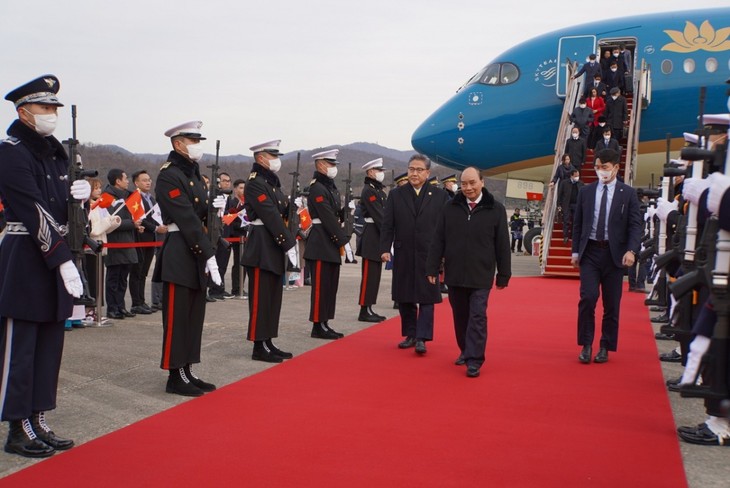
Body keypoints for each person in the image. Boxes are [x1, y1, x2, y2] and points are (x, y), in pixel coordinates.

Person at [0, 74, 90, 457]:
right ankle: (17, 425)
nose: (51, 113)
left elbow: (61, 210)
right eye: (45, 107)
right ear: (23, 112)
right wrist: (62, 260)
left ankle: (37, 417)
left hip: (55, 255)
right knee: (21, 346)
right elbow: (31, 208)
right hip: (25, 255)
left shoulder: (56, 153)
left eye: (54, 107)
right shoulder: (11, 150)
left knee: (49, 344)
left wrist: (81, 202)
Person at [153, 120, 219, 396]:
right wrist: (209, 253)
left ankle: (188, 369)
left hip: (194, 250)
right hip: (180, 249)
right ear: (178, 144)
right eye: (193, 141)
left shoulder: (192, 175)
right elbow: (186, 217)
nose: (197, 147)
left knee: (193, 315)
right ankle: (174, 374)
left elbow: (201, 215)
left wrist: (214, 211)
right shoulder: (169, 175)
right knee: (178, 317)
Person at [426, 167, 511, 377]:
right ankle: (465, 350)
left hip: (481, 274)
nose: (468, 187)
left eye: (472, 182)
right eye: (464, 183)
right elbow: (438, 239)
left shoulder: (496, 209)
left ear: (482, 182)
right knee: (461, 316)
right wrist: (432, 267)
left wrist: (504, 274)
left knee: (477, 316)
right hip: (455, 274)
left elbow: (502, 244)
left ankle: (475, 359)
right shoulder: (450, 207)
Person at [571, 148, 642, 364]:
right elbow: (578, 224)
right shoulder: (586, 191)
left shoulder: (627, 193)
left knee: (612, 304)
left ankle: (605, 346)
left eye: (605, 167)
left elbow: (635, 225)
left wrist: (632, 250)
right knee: (588, 298)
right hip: (590, 252)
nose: (601, 171)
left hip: (615, 255)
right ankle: (586, 344)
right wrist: (575, 251)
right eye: (598, 167)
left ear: (616, 168)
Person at [380, 154, 449, 354]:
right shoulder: (396, 195)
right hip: (404, 252)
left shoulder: (439, 196)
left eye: (419, 170)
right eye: (411, 169)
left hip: (429, 254)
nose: (414, 173)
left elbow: (445, 227)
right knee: (405, 295)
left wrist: (444, 252)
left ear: (427, 173)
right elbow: (388, 225)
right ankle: (410, 334)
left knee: (427, 296)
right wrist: (385, 248)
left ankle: (423, 337)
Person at [241, 140, 297, 362]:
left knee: (273, 297)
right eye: (272, 156)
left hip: (273, 244)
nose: (276, 160)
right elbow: (270, 215)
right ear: (261, 158)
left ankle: (268, 340)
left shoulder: (272, 183)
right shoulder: (255, 183)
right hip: (262, 245)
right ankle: (258, 344)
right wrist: (288, 243)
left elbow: (281, 209)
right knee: (260, 298)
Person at [303, 149, 352, 340]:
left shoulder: (330, 187)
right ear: (321, 165)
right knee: (320, 288)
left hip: (329, 242)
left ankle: (325, 322)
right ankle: (317, 325)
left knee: (330, 286)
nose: (333, 168)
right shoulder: (316, 188)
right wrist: (344, 241)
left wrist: (345, 211)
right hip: (320, 242)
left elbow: (334, 214)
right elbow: (326, 217)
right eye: (330, 164)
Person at [104, 169, 139, 320]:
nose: (127, 181)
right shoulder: (107, 197)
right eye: (125, 178)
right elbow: (112, 221)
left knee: (123, 278)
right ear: (117, 181)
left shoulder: (128, 196)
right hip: (115, 243)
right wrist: (132, 223)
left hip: (128, 242)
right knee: (113, 278)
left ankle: (121, 306)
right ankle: (112, 308)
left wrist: (136, 224)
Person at [129, 170, 166, 315]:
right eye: (144, 180)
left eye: (149, 179)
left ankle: (142, 301)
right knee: (136, 272)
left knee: (144, 272)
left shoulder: (151, 198)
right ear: (136, 183)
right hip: (141, 238)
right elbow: (140, 218)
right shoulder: (135, 198)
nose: (148, 182)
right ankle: (136, 302)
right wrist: (156, 228)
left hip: (152, 240)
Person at [356, 158, 388, 323]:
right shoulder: (369, 190)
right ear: (370, 172)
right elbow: (379, 216)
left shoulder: (379, 191)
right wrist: (390, 232)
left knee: (374, 276)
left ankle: (369, 307)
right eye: (378, 170)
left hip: (378, 236)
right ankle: (364, 309)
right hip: (371, 236)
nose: (381, 173)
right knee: (369, 275)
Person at [209, 172, 234, 300]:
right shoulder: (214, 197)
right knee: (214, 263)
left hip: (226, 234)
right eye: (224, 181)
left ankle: (220, 288)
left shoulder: (228, 198)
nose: (227, 183)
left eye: (228, 181)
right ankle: (213, 289)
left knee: (223, 263)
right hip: (215, 235)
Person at [228, 179, 247, 298]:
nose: (243, 190)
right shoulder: (232, 203)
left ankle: (241, 286)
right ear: (235, 189)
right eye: (240, 188)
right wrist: (242, 224)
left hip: (245, 236)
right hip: (236, 236)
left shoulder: (246, 203)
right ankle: (236, 288)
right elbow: (229, 220)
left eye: (244, 188)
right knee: (238, 262)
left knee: (244, 262)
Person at [558, 169, 584, 244]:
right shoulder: (564, 183)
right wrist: (559, 204)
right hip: (567, 205)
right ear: (571, 176)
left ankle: (573, 235)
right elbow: (560, 194)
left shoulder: (581, 183)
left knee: (575, 221)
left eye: (578, 176)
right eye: (576, 176)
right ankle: (565, 236)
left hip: (577, 205)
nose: (577, 177)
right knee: (566, 220)